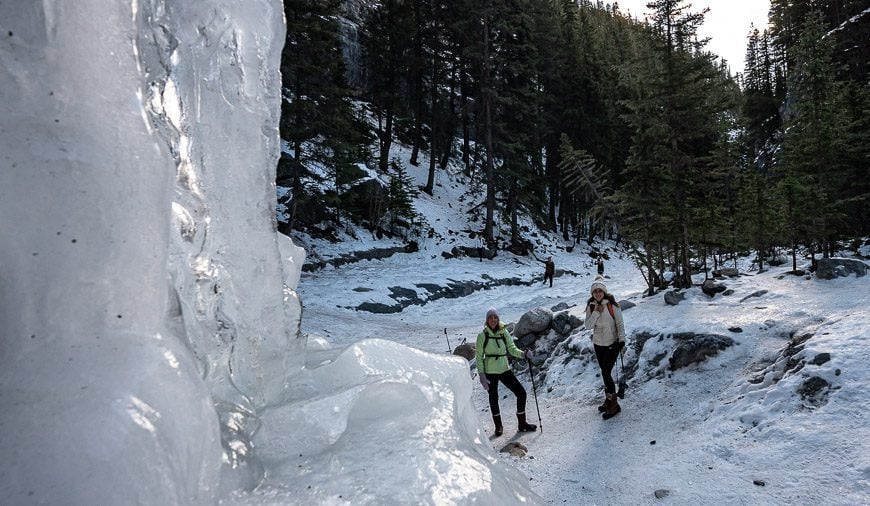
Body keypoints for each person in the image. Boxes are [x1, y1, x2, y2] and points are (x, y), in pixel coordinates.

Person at [476, 307, 537, 436]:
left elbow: (512, 348)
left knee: (521, 393)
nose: (493, 320)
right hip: (490, 371)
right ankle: (498, 427)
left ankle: (522, 424)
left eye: (495, 317)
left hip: (504, 369)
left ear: (498, 319)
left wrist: (524, 355)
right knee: (493, 398)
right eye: (490, 318)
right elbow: (479, 357)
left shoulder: (504, 333)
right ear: (487, 320)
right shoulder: (482, 336)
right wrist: (481, 375)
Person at [584, 275, 626, 420]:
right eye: (595, 292)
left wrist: (622, 340)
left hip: (612, 344)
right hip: (598, 344)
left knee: (606, 373)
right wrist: (596, 312)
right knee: (604, 373)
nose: (597, 293)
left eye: (600, 291)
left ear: (604, 292)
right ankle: (609, 400)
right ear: (592, 293)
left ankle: (614, 405)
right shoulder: (591, 306)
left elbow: (620, 324)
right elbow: (588, 326)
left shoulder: (613, 305)